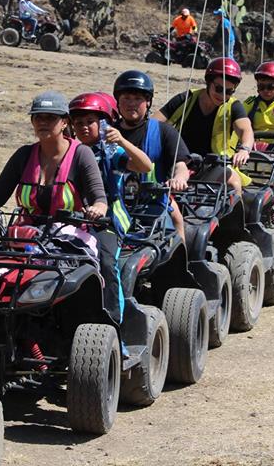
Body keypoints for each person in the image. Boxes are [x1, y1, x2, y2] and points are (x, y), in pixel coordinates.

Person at [0, 93, 120, 321]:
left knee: (103, 266)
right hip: (24, 236)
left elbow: (99, 198)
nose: (43, 122)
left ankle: (110, 322)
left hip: (68, 236)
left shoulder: (81, 154)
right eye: (38, 117)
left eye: (50, 118)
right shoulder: (24, 155)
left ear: (65, 122)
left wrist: (97, 210)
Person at [69, 92, 152, 323]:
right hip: (71, 221)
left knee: (106, 263)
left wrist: (122, 141)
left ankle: (115, 325)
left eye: (90, 122)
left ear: (102, 124)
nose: (84, 128)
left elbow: (146, 166)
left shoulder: (111, 153)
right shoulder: (68, 152)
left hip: (107, 223)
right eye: (78, 123)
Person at [154, 58, 254, 196]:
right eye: (219, 89)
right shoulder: (186, 99)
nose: (222, 95)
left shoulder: (234, 106)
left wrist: (245, 149)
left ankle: (231, 217)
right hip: (178, 162)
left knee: (234, 184)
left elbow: (245, 129)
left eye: (229, 91)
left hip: (213, 165)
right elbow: (154, 122)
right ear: (208, 82)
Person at [113, 70, 191, 243]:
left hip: (152, 205)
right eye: (126, 98)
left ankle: (180, 266)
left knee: (176, 226)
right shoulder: (107, 133)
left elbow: (181, 165)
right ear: (117, 101)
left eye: (138, 99)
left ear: (148, 102)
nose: (131, 104)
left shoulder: (164, 132)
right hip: (113, 204)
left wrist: (179, 178)